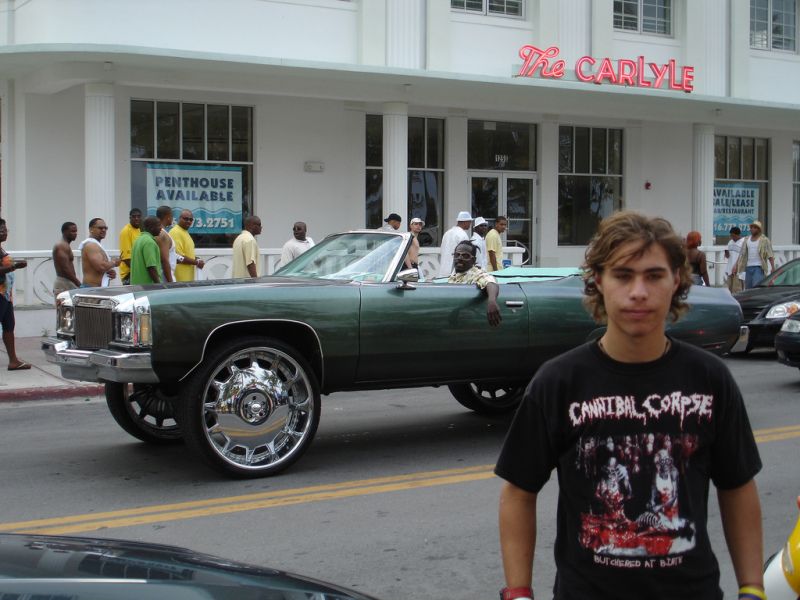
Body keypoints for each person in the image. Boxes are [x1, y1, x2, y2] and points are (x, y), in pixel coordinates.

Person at [496, 211, 764, 600]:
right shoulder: (558, 383)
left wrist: (752, 589)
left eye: (654, 276)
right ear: (598, 280)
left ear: (676, 280)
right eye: (623, 275)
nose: (638, 291)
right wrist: (518, 593)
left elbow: (737, 486)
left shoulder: (710, 379)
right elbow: (519, 493)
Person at [447, 240, 501, 327]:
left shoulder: (475, 274)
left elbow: (490, 282)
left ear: (473, 260)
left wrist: (492, 301)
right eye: (457, 255)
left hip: (470, 321)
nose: (460, 258)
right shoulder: (454, 276)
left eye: (465, 256)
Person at [0, 219, 30, 370]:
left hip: (5, 294)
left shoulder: (1, 249)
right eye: (1, 230)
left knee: (9, 326)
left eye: (5, 230)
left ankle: (13, 360)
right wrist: (14, 267)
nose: (4, 233)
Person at [79, 218, 119, 287]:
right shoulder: (91, 245)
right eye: (100, 228)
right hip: (91, 289)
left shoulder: (96, 245)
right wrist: (114, 262)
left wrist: (108, 273)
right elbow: (101, 267)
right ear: (91, 229)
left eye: (105, 228)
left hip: (97, 289)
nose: (103, 230)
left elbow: (99, 268)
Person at [735, 220, 774, 289]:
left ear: (759, 229)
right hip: (748, 267)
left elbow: (770, 254)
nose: (752, 229)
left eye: (755, 227)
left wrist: (773, 268)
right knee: (748, 289)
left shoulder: (764, 240)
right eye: (751, 227)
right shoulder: (746, 239)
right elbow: (742, 254)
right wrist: (736, 265)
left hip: (758, 267)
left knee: (756, 287)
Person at [170, 209, 204, 281]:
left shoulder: (184, 232)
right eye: (186, 219)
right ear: (179, 218)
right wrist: (197, 262)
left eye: (191, 220)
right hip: (179, 278)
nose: (188, 221)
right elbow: (178, 257)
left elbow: (186, 253)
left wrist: (195, 258)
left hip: (187, 277)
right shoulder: (175, 232)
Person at [437, 211, 472, 277]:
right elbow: (465, 256)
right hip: (455, 272)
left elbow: (442, 251)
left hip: (443, 270)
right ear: (465, 222)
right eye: (469, 222)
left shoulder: (447, 233)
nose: (470, 224)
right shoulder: (463, 235)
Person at [130, 216, 164, 284]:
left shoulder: (138, 240)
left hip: (135, 286)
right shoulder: (149, 242)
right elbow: (151, 267)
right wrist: (159, 285)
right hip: (148, 287)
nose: (161, 228)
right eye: (159, 225)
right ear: (151, 227)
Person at [52, 221, 81, 299]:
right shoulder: (62, 246)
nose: (75, 233)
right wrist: (79, 284)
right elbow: (65, 269)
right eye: (72, 231)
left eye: (76, 231)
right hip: (63, 284)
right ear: (64, 232)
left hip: (68, 283)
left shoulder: (65, 245)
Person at [118, 208, 142, 285]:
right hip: (130, 274)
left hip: (138, 271)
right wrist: (140, 272)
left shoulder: (140, 230)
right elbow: (127, 258)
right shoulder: (126, 231)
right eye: (134, 216)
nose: (136, 218)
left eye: (138, 216)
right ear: (130, 218)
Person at [155, 205, 175, 283]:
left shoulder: (161, 232)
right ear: (168, 217)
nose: (172, 218)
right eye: (172, 216)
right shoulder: (162, 234)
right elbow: (164, 260)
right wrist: (170, 282)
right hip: (166, 277)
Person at [724, 226, 744, 294]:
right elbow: (728, 256)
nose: (732, 237)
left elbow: (742, 257)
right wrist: (726, 253)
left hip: (738, 270)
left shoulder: (743, 242)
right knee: (729, 289)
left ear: (738, 235)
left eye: (733, 236)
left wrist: (736, 266)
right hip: (730, 269)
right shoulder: (730, 242)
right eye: (731, 235)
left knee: (737, 289)